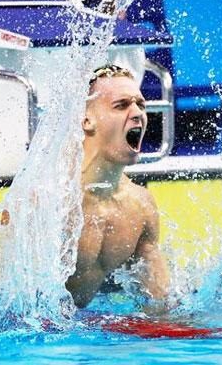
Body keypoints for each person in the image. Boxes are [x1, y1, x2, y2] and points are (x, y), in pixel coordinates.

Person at [65, 64, 170, 309]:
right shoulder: (49, 202)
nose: (137, 114)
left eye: (140, 105)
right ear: (87, 121)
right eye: (121, 106)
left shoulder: (140, 206)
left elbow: (161, 306)